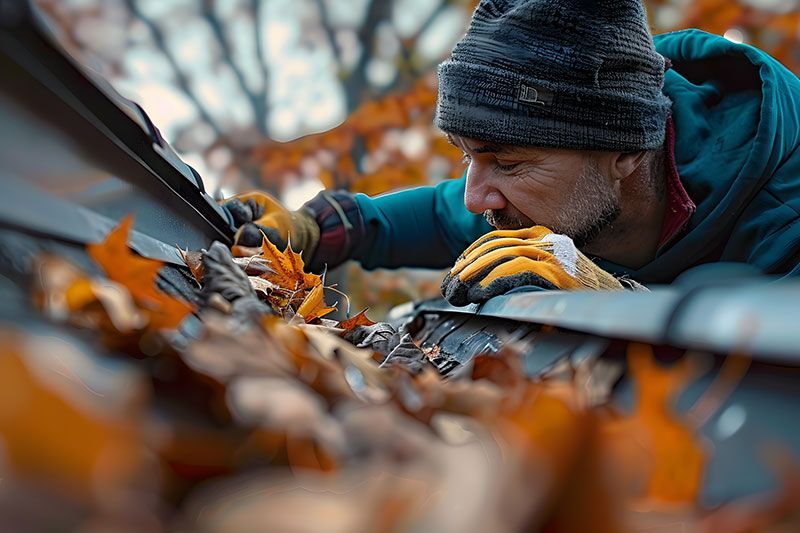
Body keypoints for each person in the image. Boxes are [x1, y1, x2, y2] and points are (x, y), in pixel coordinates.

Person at [223, 0, 800, 307]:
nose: (477, 196)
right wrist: (315, 229)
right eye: (468, 156)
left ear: (625, 150)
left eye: (510, 162)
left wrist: (616, 299)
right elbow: (434, 214)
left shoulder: (782, 209)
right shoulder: (563, 184)